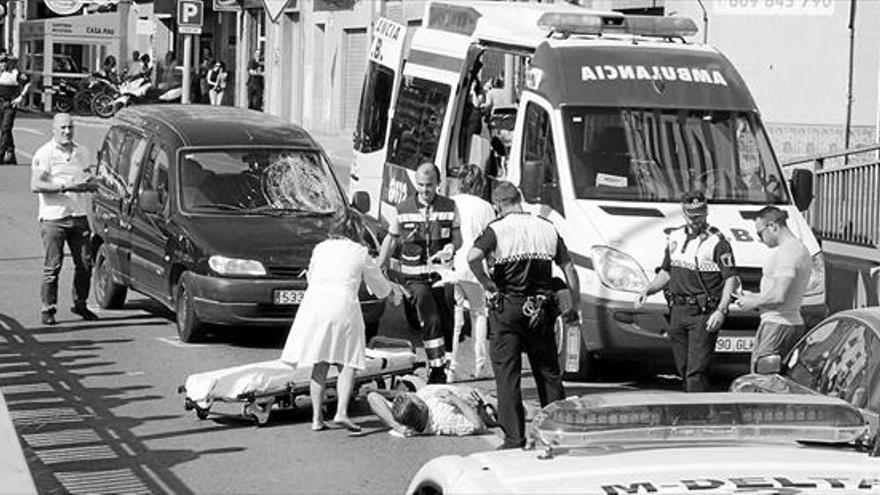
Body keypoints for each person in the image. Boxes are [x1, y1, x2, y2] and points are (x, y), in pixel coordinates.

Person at [467, 181, 581, 449]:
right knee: (548, 373)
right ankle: (558, 432)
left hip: (508, 307)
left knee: (508, 376)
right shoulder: (546, 226)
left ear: (498, 205)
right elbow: (570, 269)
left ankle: (514, 438)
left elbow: (473, 256)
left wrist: (487, 283)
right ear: (519, 199)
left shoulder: (497, 229)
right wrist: (574, 305)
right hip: (541, 308)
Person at [280, 215, 407, 432]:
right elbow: (378, 285)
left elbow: (312, 276)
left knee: (319, 363)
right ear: (357, 230)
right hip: (344, 305)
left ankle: (317, 418)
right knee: (348, 362)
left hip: (315, 305)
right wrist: (391, 291)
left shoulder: (320, 248)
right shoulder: (360, 252)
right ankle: (341, 411)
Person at [635, 190, 738, 392]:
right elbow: (667, 272)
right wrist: (648, 289)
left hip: (702, 313)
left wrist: (721, 310)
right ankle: (694, 406)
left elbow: (730, 278)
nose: (696, 220)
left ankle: (698, 415)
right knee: (683, 368)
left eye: (700, 215)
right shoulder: (674, 236)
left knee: (696, 372)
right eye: (692, 216)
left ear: (706, 213)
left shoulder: (718, 242)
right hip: (678, 311)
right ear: (684, 214)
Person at [378, 162, 462, 385]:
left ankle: (443, 364)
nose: (425, 190)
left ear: (438, 184)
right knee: (431, 319)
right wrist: (381, 263)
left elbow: (457, 237)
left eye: (430, 185)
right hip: (414, 277)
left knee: (445, 321)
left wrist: (452, 247)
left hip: (440, 275)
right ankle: (436, 370)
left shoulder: (450, 206)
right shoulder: (403, 208)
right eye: (422, 185)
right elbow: (392, 238)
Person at [31, 113, 100, 325]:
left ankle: (80, 304)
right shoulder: (45, 153)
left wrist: (95, 183)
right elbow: (36, 185)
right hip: (54, 218)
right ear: (54, 129)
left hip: (78, 216)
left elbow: (88, 177)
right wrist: (66, 186)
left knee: (85, 264)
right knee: (53, 266)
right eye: (62, 128)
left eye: (70, 127)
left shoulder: (82, 152)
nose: (67, 132)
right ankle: (48, 309)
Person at [733, 206, 811, 371]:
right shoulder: (797, 248)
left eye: (760, 233)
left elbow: (779, 296)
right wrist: (754, 297)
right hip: (781, 322)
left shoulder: (788, 252)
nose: (760, 239)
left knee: (764, 379)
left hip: (778, 324)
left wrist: (752, 303)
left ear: (773, 227)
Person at [448, 164, 496, 382]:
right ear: (480, 184)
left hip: (453, 264)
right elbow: (491, 241)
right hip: (476, 268)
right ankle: (480, 366)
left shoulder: (451, 202)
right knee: (479, 315)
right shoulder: (487, 208)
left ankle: (451, 366)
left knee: (456, 317)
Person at [366, 384, 490, 437]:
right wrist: (456, 399)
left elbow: (373, 397)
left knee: (407, 379)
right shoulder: (443, 421)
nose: (409, 394)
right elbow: (479, 426)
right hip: (479, 402)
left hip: (460, 391)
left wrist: (396, 426)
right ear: (420, 406)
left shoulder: (416, 406)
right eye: (411, 396)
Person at [0, 53, 30, 164]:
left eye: (3, 62)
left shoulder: (14, 73)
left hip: (10, 104)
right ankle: (10, 152)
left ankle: (1, 155)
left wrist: (20, 97)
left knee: (5, 128)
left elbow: (27, 83)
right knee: (5, 130)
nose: (1, 64)